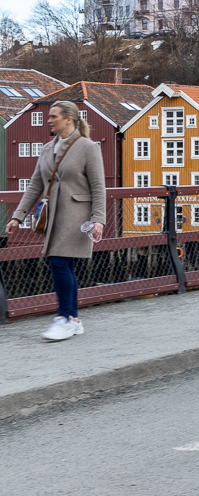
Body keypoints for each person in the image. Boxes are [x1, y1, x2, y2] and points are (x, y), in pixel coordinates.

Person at [6, 101, 106, 342]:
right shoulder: (47, 149)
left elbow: (98, 187)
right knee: (65, 264)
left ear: (69, 119)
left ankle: (65, 318)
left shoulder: (88, 147)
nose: (49, 120)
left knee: (59, 262)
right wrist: (18, 216)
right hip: (53, 216)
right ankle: (74, 319)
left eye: (53, 116)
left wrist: (98, 220)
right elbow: (35, 185)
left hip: (77, 215)